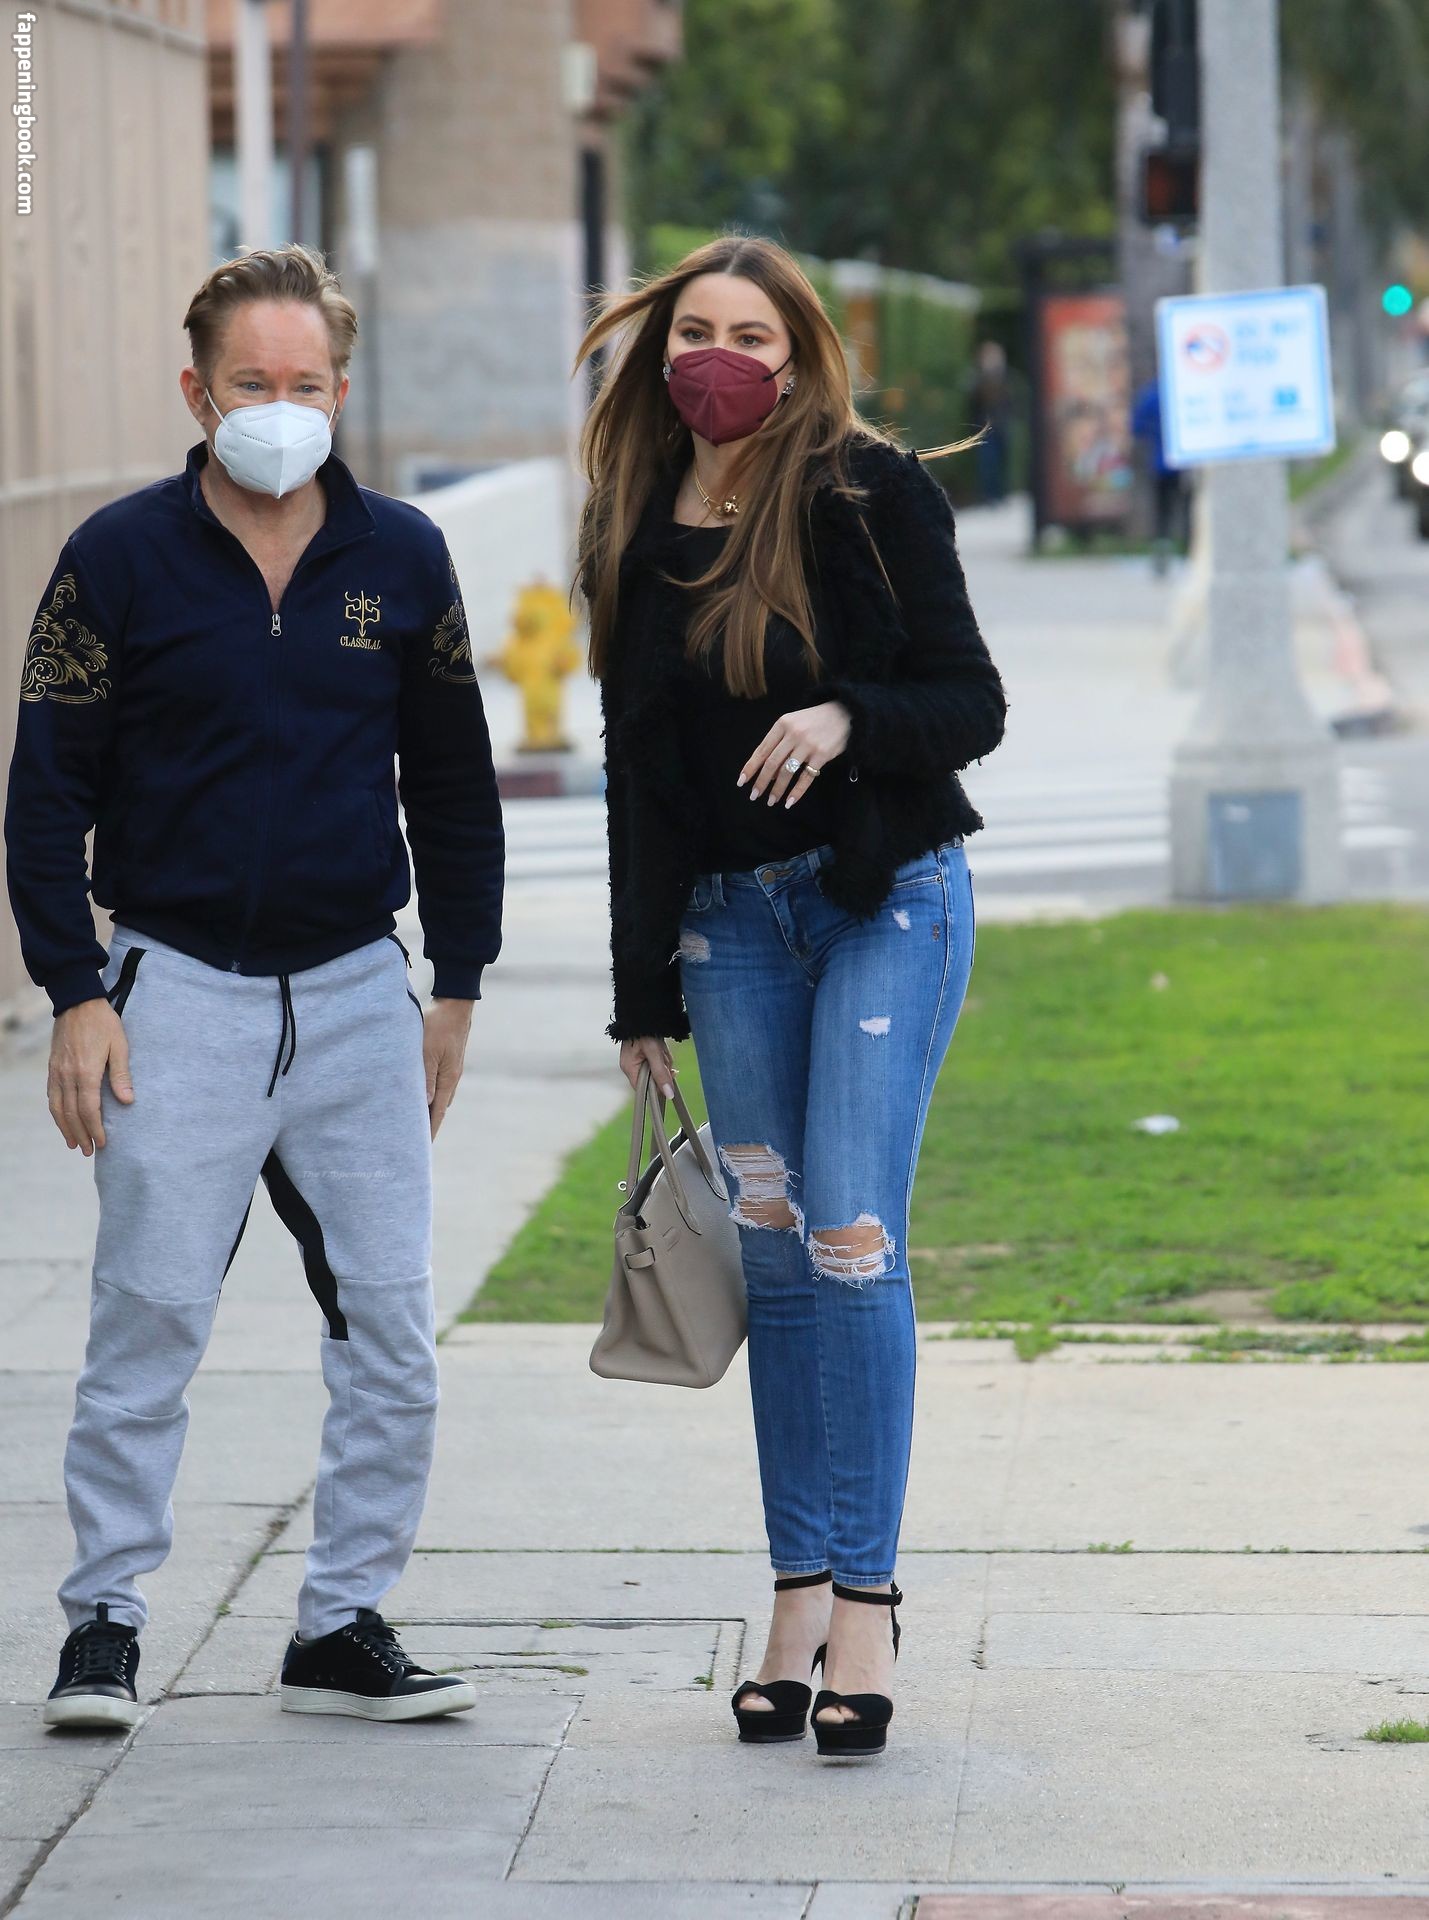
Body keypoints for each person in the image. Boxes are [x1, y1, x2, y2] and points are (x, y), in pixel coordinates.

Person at [3, 243, 504, 1729]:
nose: (279, 406)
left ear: (340, 392)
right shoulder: (115, 559)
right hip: (176, 999)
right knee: (148, 1322)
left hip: (355, 996)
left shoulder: (405, 557)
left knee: (391, 1331)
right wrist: (75, 991)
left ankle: (341, 1624)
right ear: (197, 392)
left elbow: (454, 783)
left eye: (305, 382)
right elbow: (44, 793)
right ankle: (103, 1624)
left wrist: (457, 983)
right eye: (249, 382)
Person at [574, 235, 1007, 1759]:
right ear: (659, 353)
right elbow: (637, 774)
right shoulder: (633, 520)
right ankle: (796, 1593)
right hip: (726, 930)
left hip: (881, 901)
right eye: (695, 329)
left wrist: (843, 719)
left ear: (799, 353)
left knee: (848, 1237)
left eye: (751, 334)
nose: (719, 356)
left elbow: (971, 701)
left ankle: (868, 1605)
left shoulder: (868, 494)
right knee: (772, 1253)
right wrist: (639, 992)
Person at [1132, 373, 1187, 574]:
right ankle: (1189, 553)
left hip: (1159, 462)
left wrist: (1154, 432)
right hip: (1185, 465)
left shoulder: (1151, 395)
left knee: (1162, 512)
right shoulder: (1184, 391)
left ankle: (1162, 555)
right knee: (1187, 509)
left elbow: (1136, 428)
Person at [969, 339, 1013, 504]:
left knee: (1001, 461)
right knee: (988, 463)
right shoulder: (978, 379)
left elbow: (1009, 401)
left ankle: (1001, 493)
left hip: (1001, 426)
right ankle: (989, 495)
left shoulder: (1004, 377)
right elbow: (974, 404)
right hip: (985, 427)